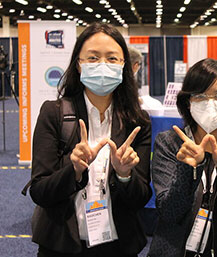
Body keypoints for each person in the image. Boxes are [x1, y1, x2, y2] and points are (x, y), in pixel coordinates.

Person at [29, 23, 152, 257]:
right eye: (93, 58)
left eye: (112, 58)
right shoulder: (53, 113)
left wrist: (125, 175)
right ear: (78, 64)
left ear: (124, 65)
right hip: (63, 245)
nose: (103, 65)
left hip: (118, 245)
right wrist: (74, 171)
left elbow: (140, 197)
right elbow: (40, 191)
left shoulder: (138, 121)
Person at [148, 58, 217, 257]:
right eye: (200, 96)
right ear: (187, 101)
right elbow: (169, 212)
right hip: (176, 249)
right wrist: (188, 169)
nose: (210, 103)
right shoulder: (169, 143)